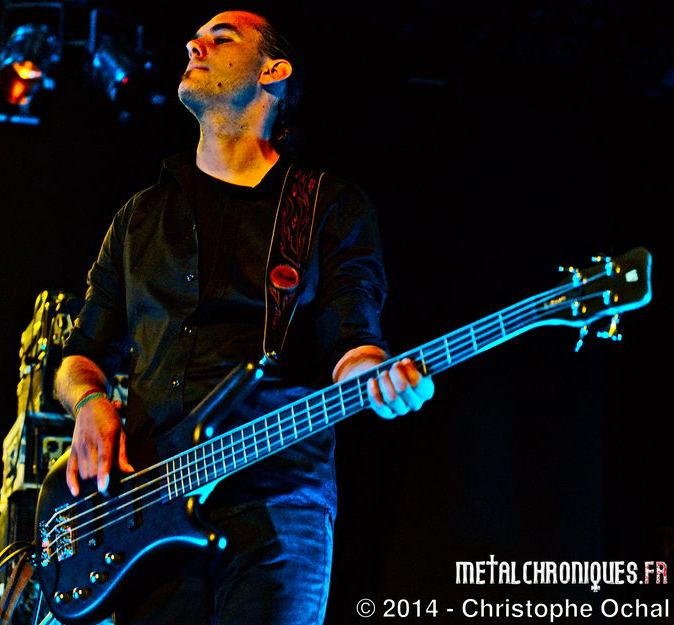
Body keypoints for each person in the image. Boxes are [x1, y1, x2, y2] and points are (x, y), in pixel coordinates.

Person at [54, 9, 435, 624]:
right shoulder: (139, 217)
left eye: (221, 37)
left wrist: (377, 376)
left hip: (276, 502)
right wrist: (90, 404)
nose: (193, 43)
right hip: (145, 511)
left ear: (273, 71)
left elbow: (353, 340)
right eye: (197, 36)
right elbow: (81, 357)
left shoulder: (329, 207)